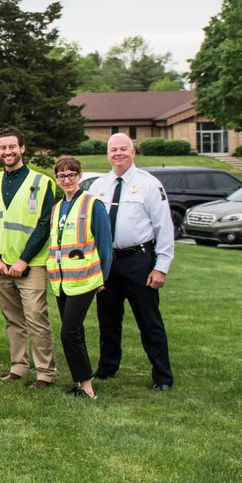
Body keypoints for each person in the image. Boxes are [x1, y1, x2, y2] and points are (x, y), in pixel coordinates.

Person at [87, 133, 176, 391]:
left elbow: (164, 227)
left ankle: (162, 376)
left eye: (123, 149)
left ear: (133, 152)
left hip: (138, 260)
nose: (118, 153)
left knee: (149, 321)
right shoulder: (98, 186)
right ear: (107, 154)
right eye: (113, 149)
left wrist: (161, 267)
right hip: (108, 263)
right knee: (108, 320)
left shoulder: (149, 184)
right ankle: (107, 367)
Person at [0, 127, 57, 389]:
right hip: (1, 266)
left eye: (12, 147)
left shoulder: (42, 183)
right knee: (13, 320)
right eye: (3, 148)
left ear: (22, 148)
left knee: (36, 319)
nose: (7, 152)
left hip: (31, 265)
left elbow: (44, 225)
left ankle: (45, 373)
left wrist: (24, 259)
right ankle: (18, 367)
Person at [47, 156, 113, 399]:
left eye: (71, 175)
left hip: (86, 279)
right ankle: (80, 383)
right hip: (63, 281)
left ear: (79, 176)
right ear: (57, 179)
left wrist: (103, 277)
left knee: (69, 332)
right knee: (74, 332)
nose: (67, 180)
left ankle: (87, 387)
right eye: (62, 176)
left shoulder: (92, 204)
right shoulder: (57, 208)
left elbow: (105, 244)